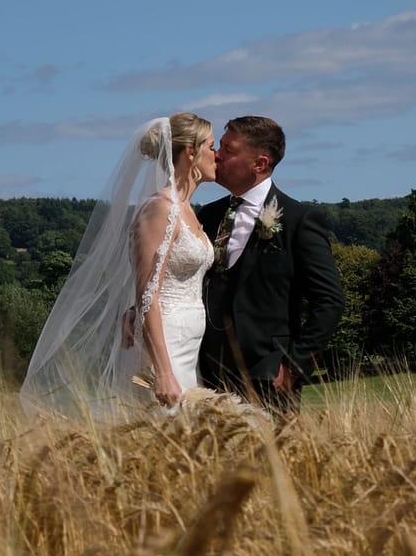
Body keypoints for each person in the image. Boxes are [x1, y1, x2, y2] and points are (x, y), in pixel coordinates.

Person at [21, 112, 216, 419]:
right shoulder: (160, 209)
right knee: (161, 428)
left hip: (189, 341)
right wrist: (163, 371)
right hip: (164, 342)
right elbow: (148, 291)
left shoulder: (188, 210)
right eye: (211, 146)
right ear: (191, 153)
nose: (216, 155)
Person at [198, 116, 344, 417]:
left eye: (228, 149)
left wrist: (293, 365)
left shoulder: (299, 220)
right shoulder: (208, 215)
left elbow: (329, 301)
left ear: (260, 163)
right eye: (219, 146)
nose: (216, 155)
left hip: (268, 376)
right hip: (204, 373)